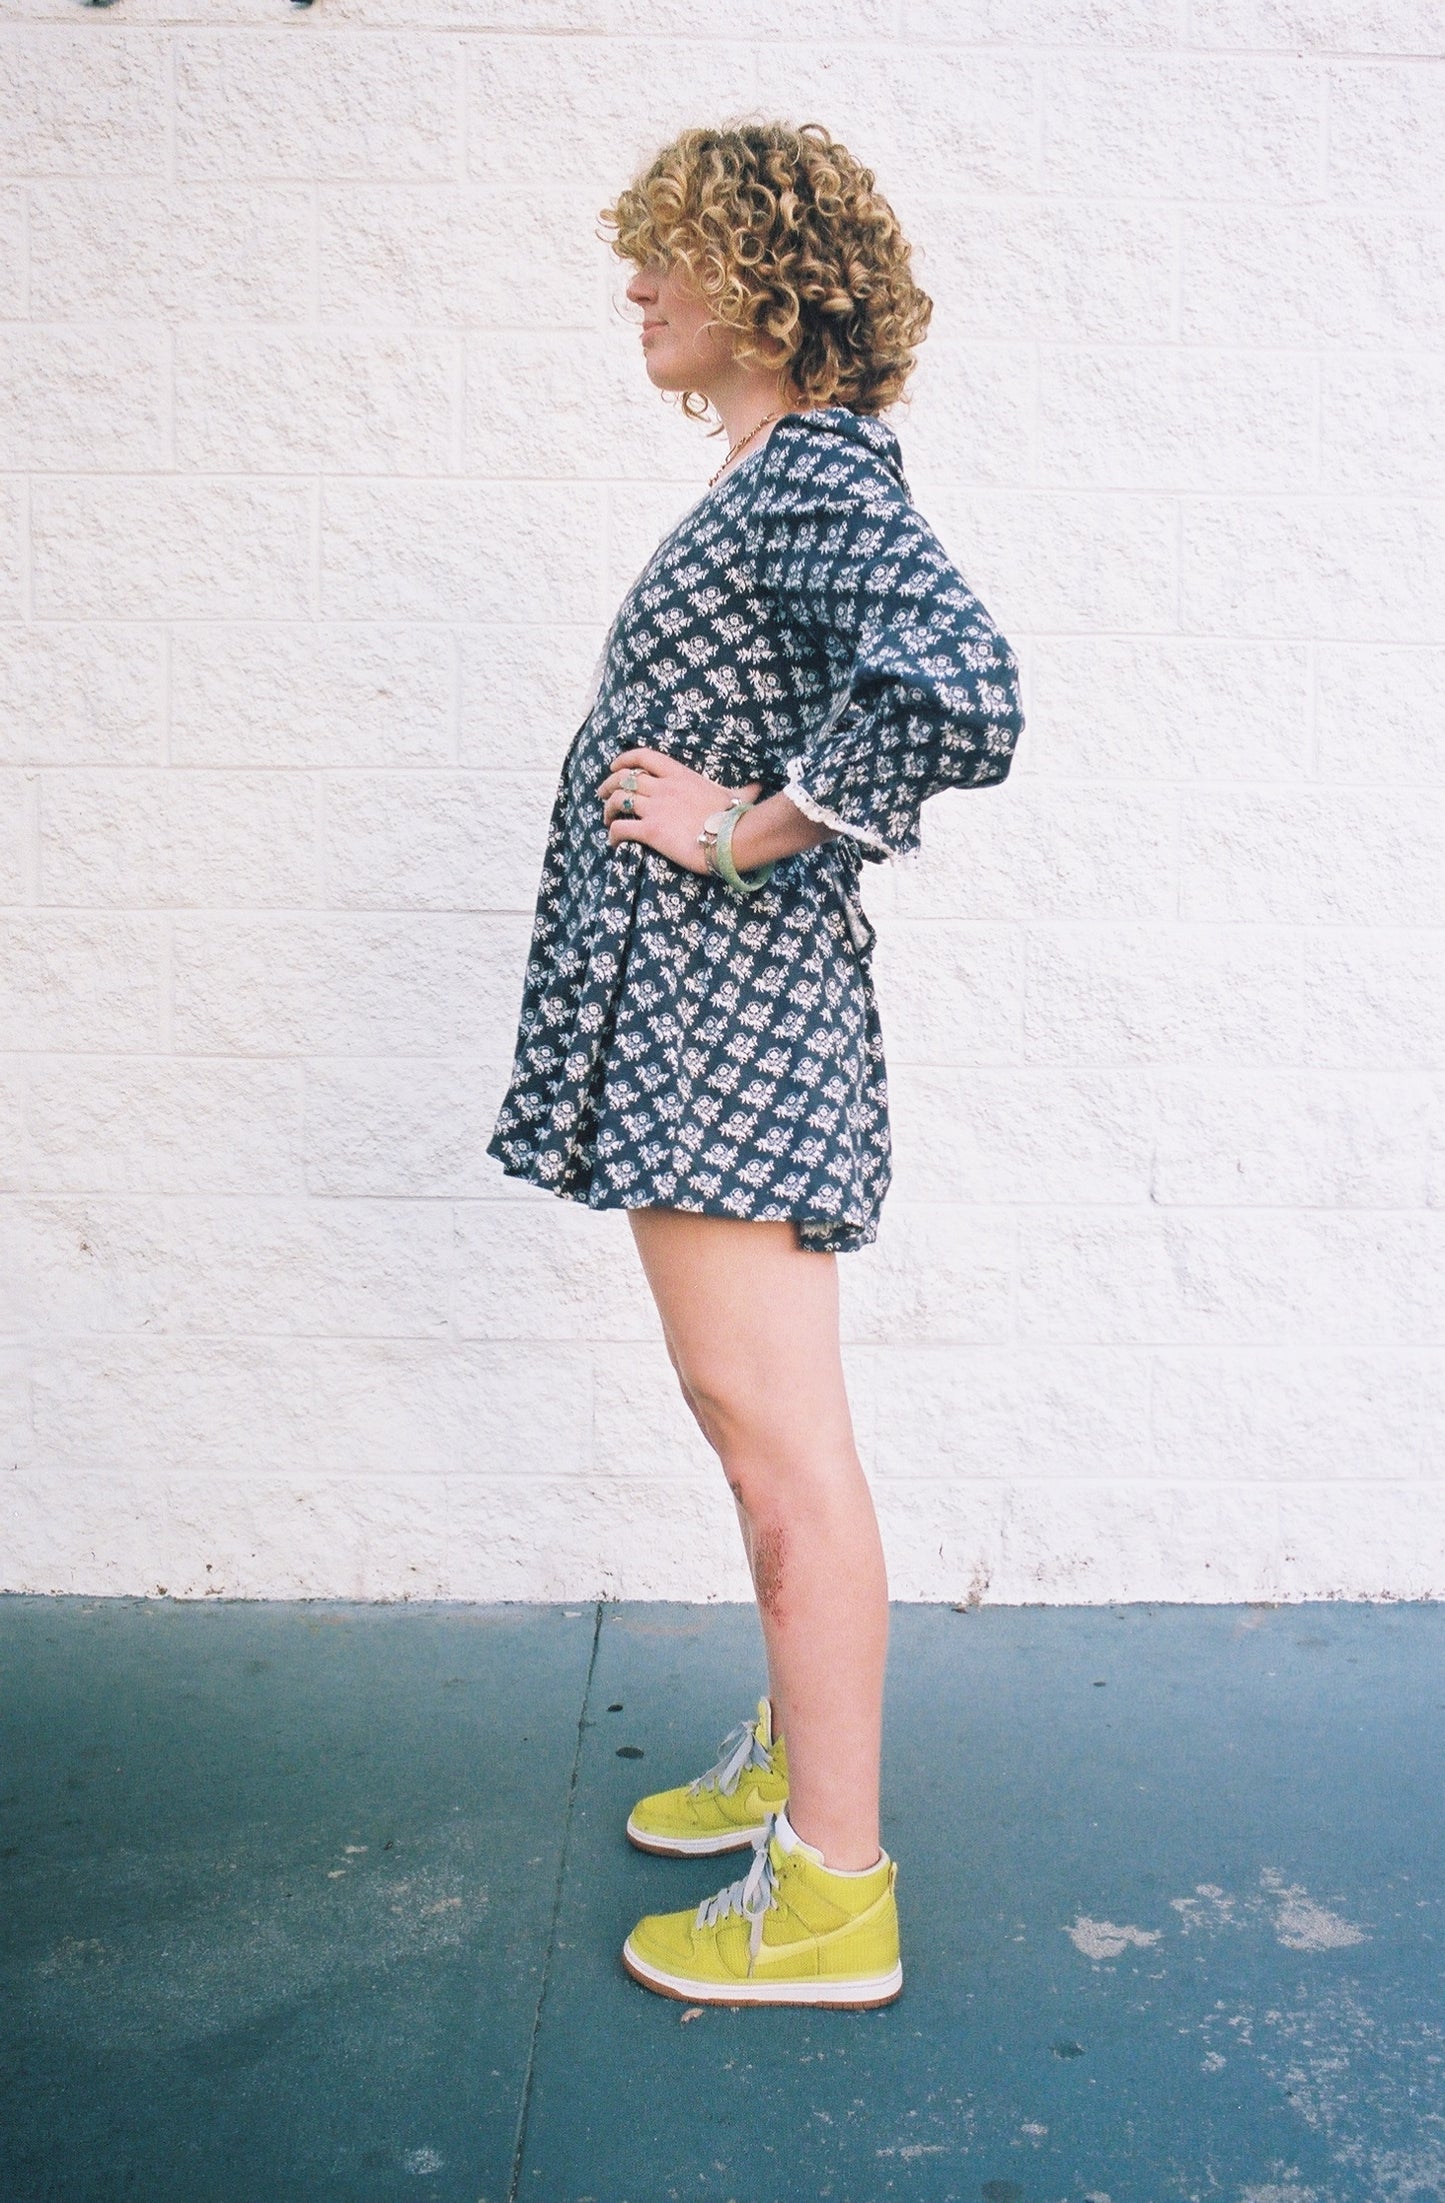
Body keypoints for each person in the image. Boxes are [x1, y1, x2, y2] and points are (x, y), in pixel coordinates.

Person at [487, 121, 1024, 2007]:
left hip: (729, 1020)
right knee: (749, 1427)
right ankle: (806, 1759)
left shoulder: (809, 476)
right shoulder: (770, 475)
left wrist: (740, 832)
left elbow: (962, 681)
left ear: (762, 285)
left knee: (783, 1449)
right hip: (701, 1020)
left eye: (670, 255)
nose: (636, 285)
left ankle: (830, 1897)